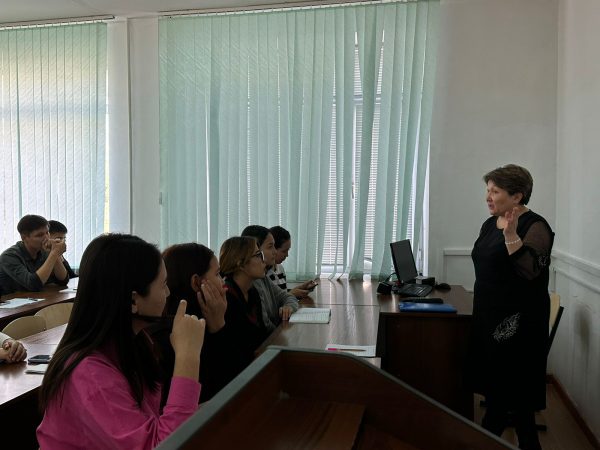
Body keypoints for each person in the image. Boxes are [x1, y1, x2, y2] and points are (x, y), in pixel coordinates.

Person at [37, 234, 205, 450]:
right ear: (133, 300)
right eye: (163, 284)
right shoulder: (89, 374)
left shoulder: (136, 341)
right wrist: (188, 357)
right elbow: (163, 446)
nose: (168, 292)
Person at [467, 164, 554, 450]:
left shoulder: (536, 226)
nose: (488, 197)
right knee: (511, 406)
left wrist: (511, 236)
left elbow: (530, 271)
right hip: (488, 318)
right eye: (487, 190)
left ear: (517, 196)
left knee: (507, 403)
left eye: (495, 191)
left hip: (518, 327)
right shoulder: (489, 223)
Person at [160, 243, 229, 402]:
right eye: (217, 274)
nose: (223, 282)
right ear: (196, 282)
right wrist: (219, 328)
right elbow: (223, 386)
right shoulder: (181, 330)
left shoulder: (208, 314)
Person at [218, 236, 270, 384]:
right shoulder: (227, 297)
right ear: (240, 264)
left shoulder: (252, 292)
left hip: (252, 366)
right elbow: (233, 349)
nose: (264, 261)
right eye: (258, 255)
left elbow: (260, 334)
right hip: (234, 377)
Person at [241, 225, 299, 331]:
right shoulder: (250, 283)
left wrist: (288, 307)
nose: (275, 252)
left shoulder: (263, 278)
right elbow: (265, 326)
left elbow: (287, 297)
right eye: (270, 247)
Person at [0, 215, 69, 295]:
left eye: (47, 233)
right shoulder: (9, 256)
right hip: (9, 301)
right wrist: (54, 253)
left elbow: (63, 281)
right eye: (39, 235)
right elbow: (33, 285)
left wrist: (54, 252)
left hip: (35, 298)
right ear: (24, 237)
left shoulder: (43, 250)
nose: (47, 238)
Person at [268, 225, 318, 298]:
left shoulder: (280, 268)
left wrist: (302, 287)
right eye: (284, 251)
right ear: (273, 249)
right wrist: (291, 294)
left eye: (288, 250)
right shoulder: (264, 274)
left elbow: (283, 292)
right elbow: (272, 300)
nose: (287, 255)